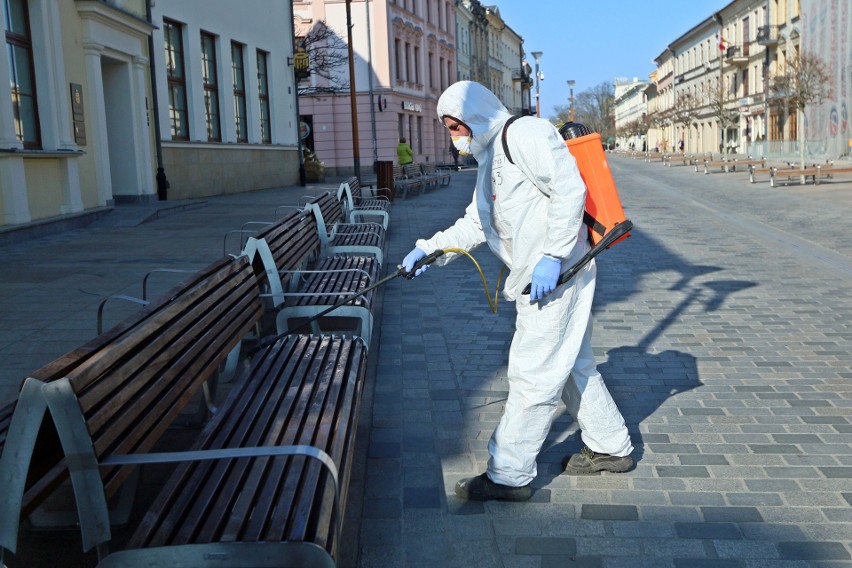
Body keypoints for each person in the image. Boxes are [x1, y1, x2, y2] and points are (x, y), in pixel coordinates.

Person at [401, 81, 633, 502]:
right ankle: (611, 446)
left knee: (532, 374)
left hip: (556, 277)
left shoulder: (525, 134)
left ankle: (509, 474)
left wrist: (552, 254)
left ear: (475, 115)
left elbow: (569, 189)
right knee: (572, 366)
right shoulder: (490, 159)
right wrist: (428, 250)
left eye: (457, 125)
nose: (455, 135)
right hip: (541, 278)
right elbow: (476, 224)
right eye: (450, 128)